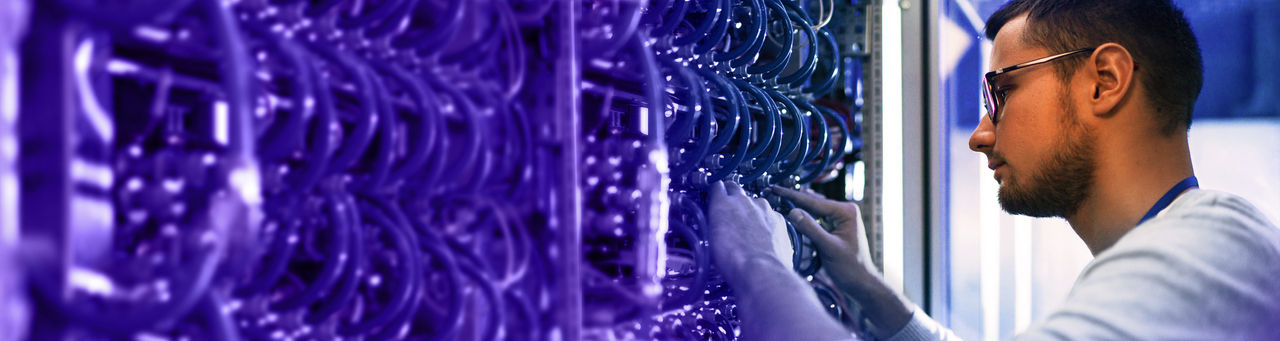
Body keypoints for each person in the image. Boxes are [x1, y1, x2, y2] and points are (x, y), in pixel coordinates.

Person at [706, 0, 1280, 340]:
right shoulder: (1186, 255)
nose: (980, 135)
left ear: (1104, 81)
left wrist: (756, 263)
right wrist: (874, 292)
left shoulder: (1210, 250)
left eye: (1002, 92)